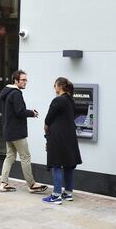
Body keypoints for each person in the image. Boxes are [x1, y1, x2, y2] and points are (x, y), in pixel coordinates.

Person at [0, 70, 47, 193]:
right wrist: (32, 113)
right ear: (16, 80)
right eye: (23, 80)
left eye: (26, 80)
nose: (26, 82)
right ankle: (31, 185)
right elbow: (19, 111)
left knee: (10, 156)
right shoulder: (16, 93)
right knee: (25, 156)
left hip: (8, 130)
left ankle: (3, 184)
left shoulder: (6, 92)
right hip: (16, 131)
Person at [42, 77, 82, 205]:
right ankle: (68, 193)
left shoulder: (58, 100)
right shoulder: (70, 100)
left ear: (59, 86)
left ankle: (56, 195)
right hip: (70, 135)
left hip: (58, 136)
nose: (54, 89)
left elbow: (48, 119)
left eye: (54, 86)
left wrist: (45, 129)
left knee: (56, 164)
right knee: (68, 164)